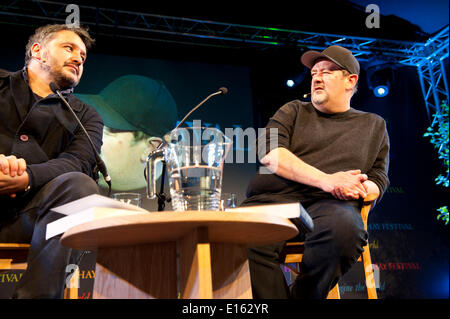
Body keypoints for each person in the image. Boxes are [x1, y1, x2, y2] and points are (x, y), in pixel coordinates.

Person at [242, 45, 390, 299]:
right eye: (314, 73)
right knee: (239, 238)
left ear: (350, 80)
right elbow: (270, 153)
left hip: (330, 205)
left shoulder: (373, 125)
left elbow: (379, 178)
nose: (317, 77)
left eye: (328, 71)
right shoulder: (293, 110)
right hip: (274, 201)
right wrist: (328, 180)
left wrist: (358, 186)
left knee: (345, 230)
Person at [0, 24, 102, 298]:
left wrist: (27, 177)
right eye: (68, 48)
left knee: (81, 187)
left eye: (82, 55)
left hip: (34, 220)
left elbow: (78, 162)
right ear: (38, 51)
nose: (78, 58)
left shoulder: (87, 116)